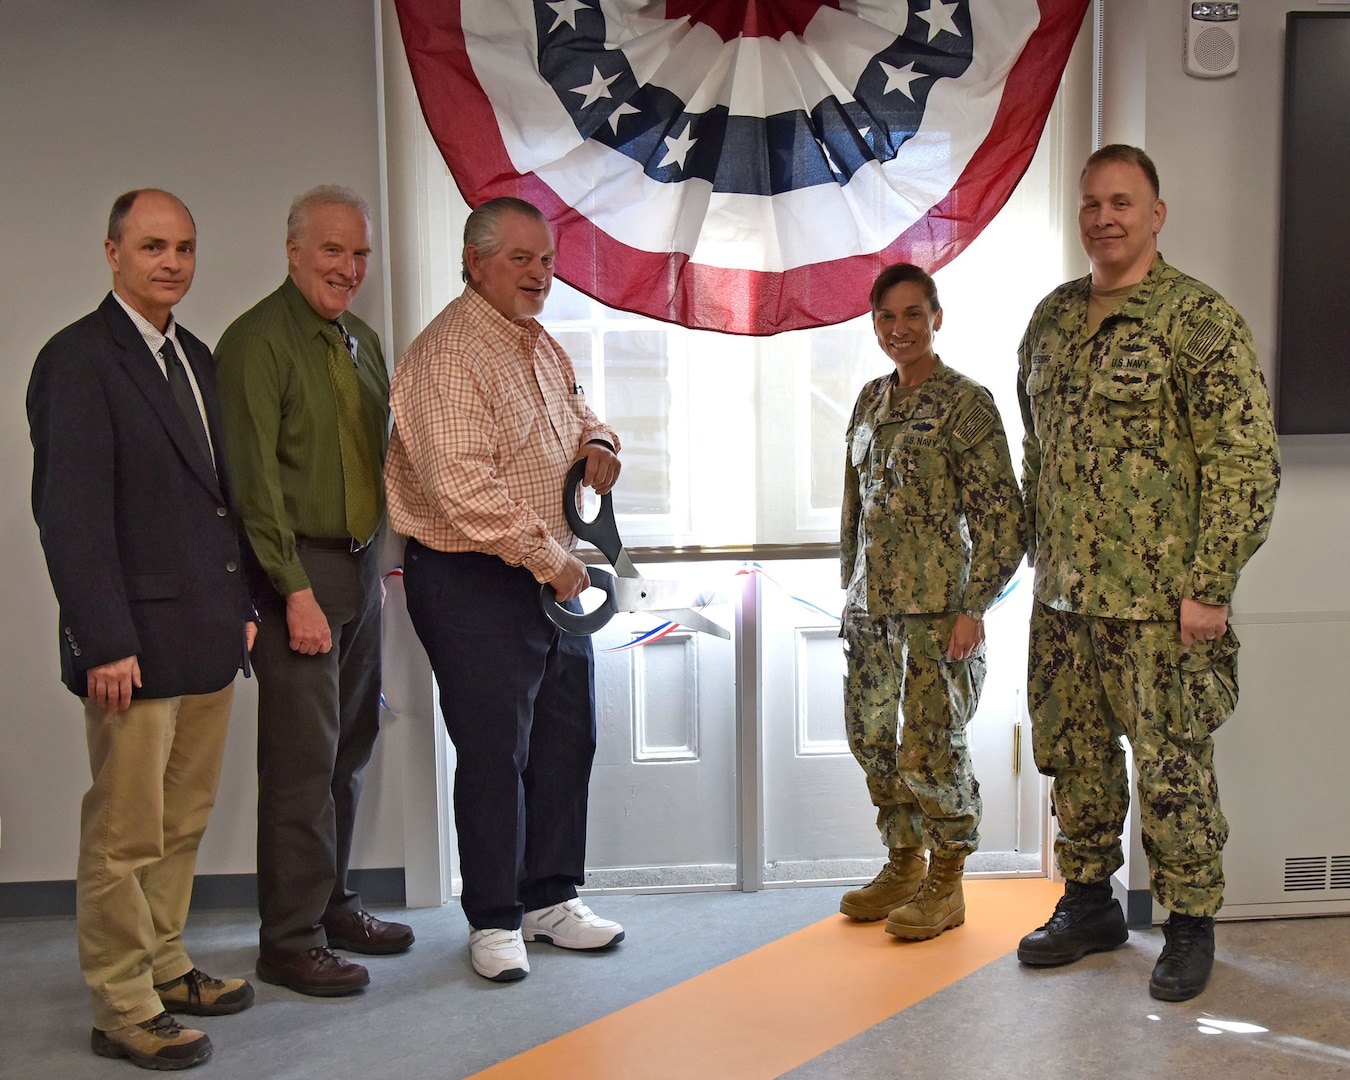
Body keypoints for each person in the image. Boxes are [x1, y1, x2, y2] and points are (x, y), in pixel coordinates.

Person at [1015, 145, 1280, 1001]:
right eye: (1092, 203)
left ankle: (1190, 921)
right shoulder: (1052, 321)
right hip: (1065, 601)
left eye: (1123, 202)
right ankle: (1090, 903)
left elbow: (1246, 463)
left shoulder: (1199, 322)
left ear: (1156, 214)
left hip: (1162, 608)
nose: (1105, 218)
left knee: (1173, 771)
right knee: (1077, 762)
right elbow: (1037, 450)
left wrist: (1210, 586)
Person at [28, 189, 256, 1070]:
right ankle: (122, 1003)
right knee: (123, 834)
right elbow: (70, 516)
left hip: (206, 635)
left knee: (182, 821)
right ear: (113, 253)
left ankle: (164, 964)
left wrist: (239, 611)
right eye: (153, 246)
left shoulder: (193, 357)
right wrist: (103, 640)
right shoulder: (78, 360)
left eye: (186, 248)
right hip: (131, 648)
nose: (173, 262)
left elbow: (214, 505)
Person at [385, 196, 625, 982]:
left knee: (565, 737)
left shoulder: (536, 342)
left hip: (546, 569)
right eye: (521, 259)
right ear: (474, 260)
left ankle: (549, 899)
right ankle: (494, 919)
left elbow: (579, 408)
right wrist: (551, 560)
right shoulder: (447, 355)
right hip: (472, 575)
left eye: (547, 261)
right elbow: (464, 491)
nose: (539, 274)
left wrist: (597, 439)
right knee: (495, 752)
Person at [214, 185, 412, 997]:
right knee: (300, 763)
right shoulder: (255, 343)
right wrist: (290, 590)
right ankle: (288, 941)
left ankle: (332, 904)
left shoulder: (361, 341)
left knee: (349, 748)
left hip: (361, 570)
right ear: (293, 250)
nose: (348, 267)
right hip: (295, 570)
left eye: (359, 252)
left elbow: (382, 460)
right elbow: (252, 484)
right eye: (332, 250)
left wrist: (389, 557)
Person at [839, 263, 1026, 941]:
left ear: (936, 317)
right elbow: (857, 507)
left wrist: (975, 606)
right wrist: (849, 590)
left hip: (937, 611)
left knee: (930, 748)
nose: (899, 329)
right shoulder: (869, 402)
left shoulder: (965, 404)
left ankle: (946, 880)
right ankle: (902, 861)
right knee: (870, 739)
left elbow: (1003, 517)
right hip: (870, 612)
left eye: (913, 314)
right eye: (887, 318)